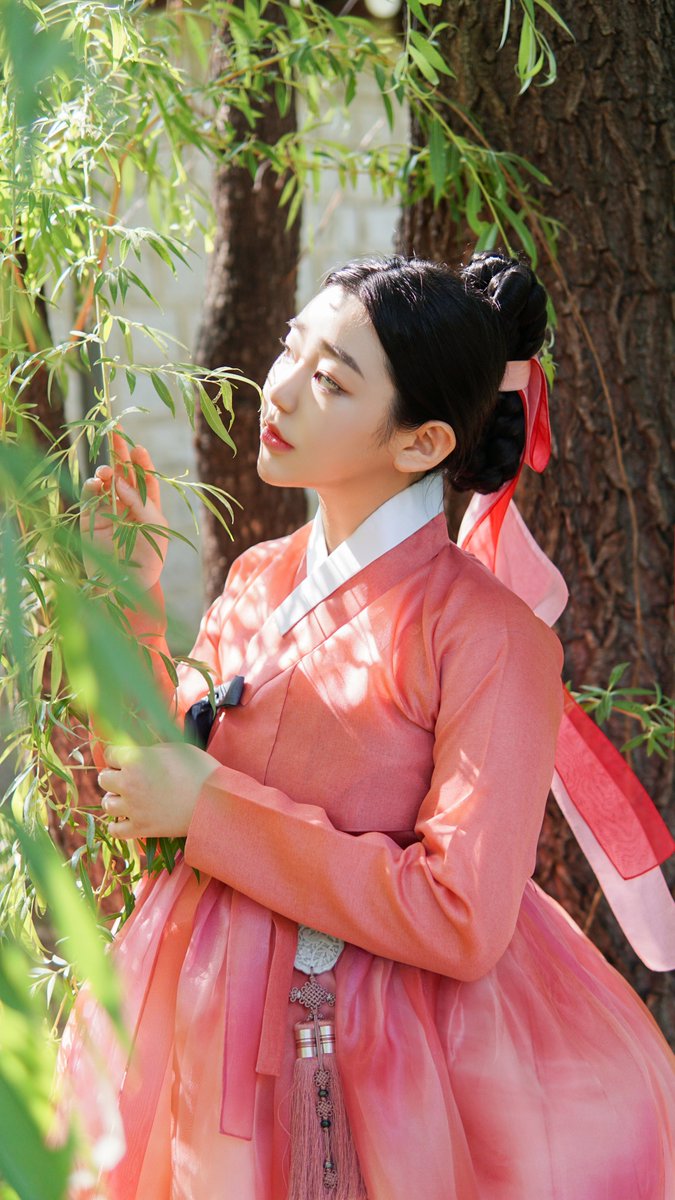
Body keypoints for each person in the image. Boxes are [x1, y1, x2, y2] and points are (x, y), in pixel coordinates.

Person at [60, 253, 674, 1200]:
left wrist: (212, 812)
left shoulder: (488, 637)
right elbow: (150, 792)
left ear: (421, 442)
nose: (279, 390)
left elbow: (462, 916)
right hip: (198, 1023)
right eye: (290, 349)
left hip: (372, 1060)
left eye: (332, 381)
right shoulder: (258, 576)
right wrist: (125, 599)